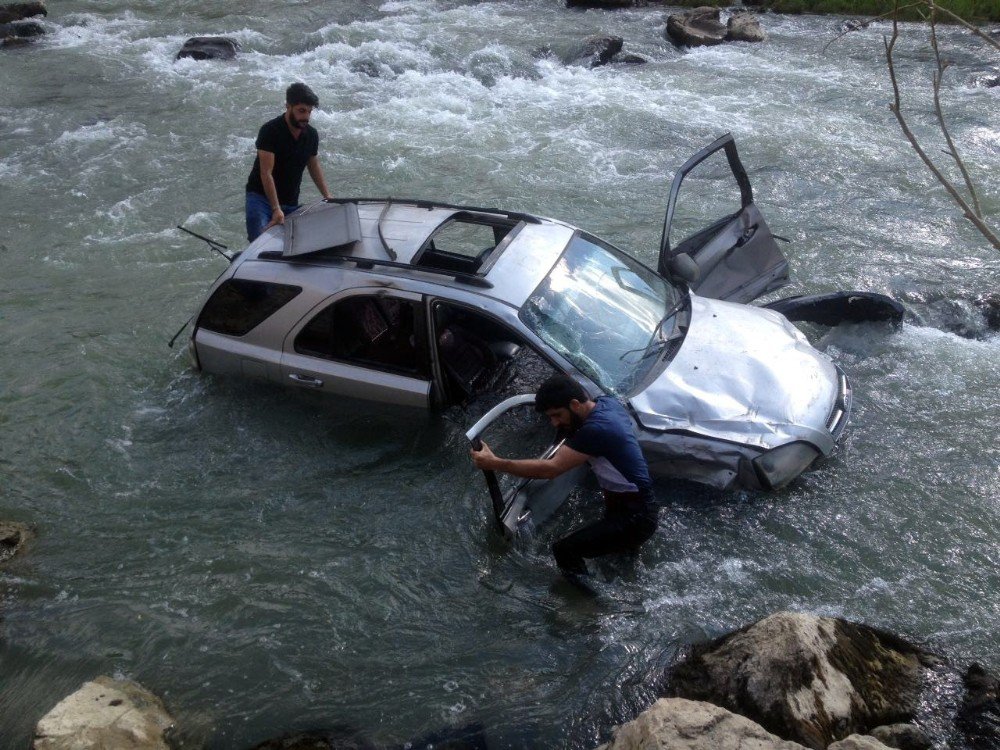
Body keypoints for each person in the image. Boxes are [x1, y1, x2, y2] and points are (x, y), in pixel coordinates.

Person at [470, 374, 658, 578]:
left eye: (557, 415)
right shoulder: (607, 404)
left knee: (564, 550)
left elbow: (550, 469)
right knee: (618, 559)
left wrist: (495, 463)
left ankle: (586, 605)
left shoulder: (595, 431)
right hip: (637, 508)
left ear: (575, 404)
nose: (554, 423)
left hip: (635, 518)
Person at [245, 82, 333, 242]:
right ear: (288, 106)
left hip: (291, 200)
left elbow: (313, 165)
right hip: (261, 199)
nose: (305, 117)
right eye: (301, 111)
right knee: (259, 241)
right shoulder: (270, 131)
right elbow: (266, 173)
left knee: (304, 240)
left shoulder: (311, 135)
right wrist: (276, 208)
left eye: (309, 111)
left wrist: (328, 196)